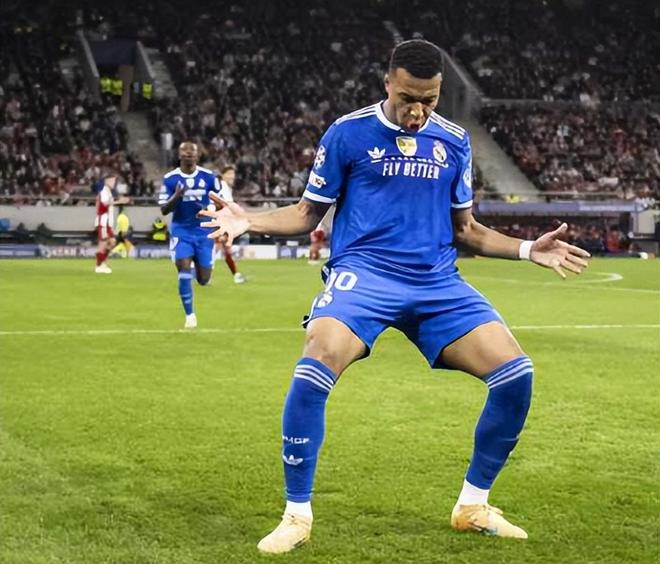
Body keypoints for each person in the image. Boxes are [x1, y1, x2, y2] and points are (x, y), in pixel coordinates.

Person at [200, 39, 591, 553]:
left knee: (516, 374)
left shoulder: (453, 141)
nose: (417, 111)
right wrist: (248, 219)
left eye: (429, 100)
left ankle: (472, 505)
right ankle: (297, 514)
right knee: (317, 359)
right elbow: (306, 214)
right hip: (365, 276)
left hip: (436, 282)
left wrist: (525, 249)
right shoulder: (348, 133)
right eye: (407, 98)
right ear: (388, 84)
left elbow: (467, 230)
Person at [159, 141, 222, 329]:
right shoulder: (170, 179)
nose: (188, 153)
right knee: (183, 269)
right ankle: (190, 316)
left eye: (191, 151)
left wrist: (212, 211)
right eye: (184, 151)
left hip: (204, 231)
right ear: (179, 155)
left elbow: (221, 203)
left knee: (203, 279)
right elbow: (164, 209)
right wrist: (177, 196)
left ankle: (198, 268)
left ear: (197, 155)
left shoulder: (209, 177)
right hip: (181, 231)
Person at [213, 165, 246, 283]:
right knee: (217, 248)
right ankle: (201, 273)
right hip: (218, 221)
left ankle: (236, 275)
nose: (232, 176)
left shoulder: (225, 187)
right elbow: (223, 204)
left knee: (225, 249)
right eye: (229, 174)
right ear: (223, 175)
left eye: (233, 174)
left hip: (222, 221)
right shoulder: (222, 187)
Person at [94, 175, 129, 273]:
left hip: (108, 222)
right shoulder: (104, 192)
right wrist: (118, 201)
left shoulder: (108, 192)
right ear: (106, 181)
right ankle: (99, 265)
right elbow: (104, 204)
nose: (113, 183)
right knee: (103, 243)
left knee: (112, 242)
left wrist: (118, 201)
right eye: (112, 181)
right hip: (103, 221)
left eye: (114, 181)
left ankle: (102, 262)